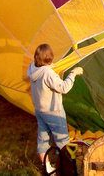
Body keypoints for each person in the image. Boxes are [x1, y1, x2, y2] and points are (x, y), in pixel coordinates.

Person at [28, 43, 84, 173]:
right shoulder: (47, 73)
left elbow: (44, 70)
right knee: (63, 142)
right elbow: (64, 88)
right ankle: (67, 170)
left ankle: (47, 168)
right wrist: (73, 74)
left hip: (40, 111)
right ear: (49, 57)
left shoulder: (32, 68)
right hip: (53, 113)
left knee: (43, 140)